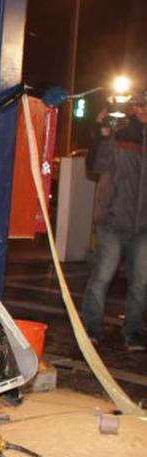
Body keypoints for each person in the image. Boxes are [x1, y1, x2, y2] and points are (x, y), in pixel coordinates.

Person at [80, 92, 147, 351]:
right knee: (101, 277)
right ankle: (91, 327)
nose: (140, 111)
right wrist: (104, 132)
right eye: (137, 106)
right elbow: (96, 164)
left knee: (140, 282)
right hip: (112, 219)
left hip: (143, 225)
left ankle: (132, 331)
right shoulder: (118, 133)